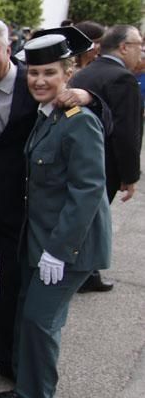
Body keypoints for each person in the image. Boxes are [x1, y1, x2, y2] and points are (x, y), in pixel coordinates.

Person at [0, 19, 103, 379]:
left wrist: (88, 96)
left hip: (19, 205)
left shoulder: (36, 84)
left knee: (13, 284)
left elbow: (99, 122)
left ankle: (7, 356)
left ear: (7, 50)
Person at [0, 29, 111, 398]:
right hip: (37, 241)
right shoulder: (49, 116)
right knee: (27, 316)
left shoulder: (80, 122)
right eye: (34, 73)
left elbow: (88, 191)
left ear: (69, 73)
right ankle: (26, 389)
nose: (39, 81)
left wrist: (59, 250)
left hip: (65, 247)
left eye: (49, 73)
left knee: (41, 324)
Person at [67, 24, 143, 293]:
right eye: (138, 45)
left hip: (75, 159)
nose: (141, 51)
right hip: (103, 163)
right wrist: (130, 175)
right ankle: (82, 272)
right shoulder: (122, 79)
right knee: (93, 218)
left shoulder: (87, 72)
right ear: (123, 47)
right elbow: (126, 132)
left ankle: (88, 273)